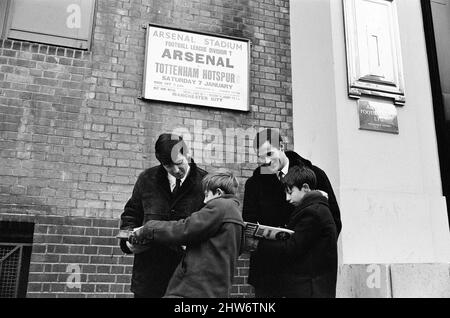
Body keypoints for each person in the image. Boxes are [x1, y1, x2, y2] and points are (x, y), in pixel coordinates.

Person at [243, 128, 341, 297]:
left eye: (269, 154)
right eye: (260, 157)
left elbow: (333, 222)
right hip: (268, 274)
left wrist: (310, 255)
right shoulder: (255, 183)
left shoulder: (315, 175)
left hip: (306, 274)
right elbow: (249, 223)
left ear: (281, 146)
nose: (265, 161)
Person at [128, 170, 245, 298]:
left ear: (218, 192)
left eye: (206, 195)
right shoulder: (234, 212)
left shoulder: (219, 207)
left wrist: (149, 228)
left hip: (199, 287)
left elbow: (184, 228)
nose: (205, 201)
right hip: (215, 286)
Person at [119, 133, 208, 298]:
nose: (175, 171)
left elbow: (214, 228)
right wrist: (128, 242)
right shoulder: (146, 179)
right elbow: (130, 215)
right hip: (149, 279)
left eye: (179, 163)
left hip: (187, 280)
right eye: (168, 166)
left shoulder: (206, 183)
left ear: (187, 154)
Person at [250, 166, 338, 297]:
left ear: (305, 188)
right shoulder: (317, 209)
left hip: (310, 289)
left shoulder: (313, 212)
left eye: (290, 192)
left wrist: (257, 245)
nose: (287, 198)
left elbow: (291, 247)